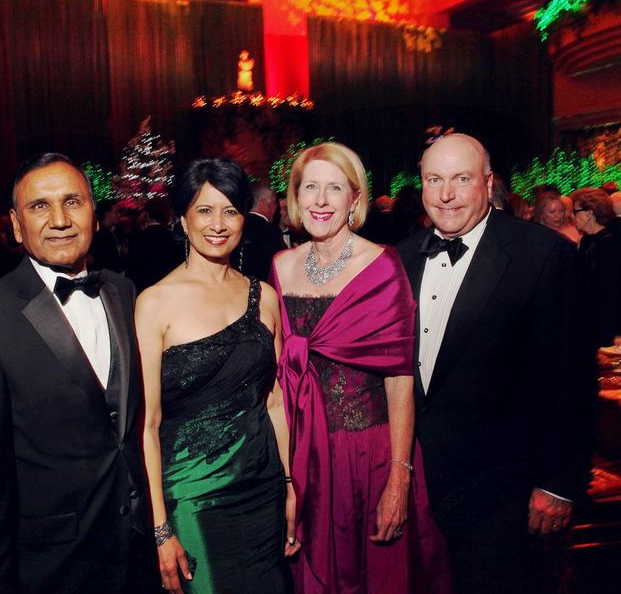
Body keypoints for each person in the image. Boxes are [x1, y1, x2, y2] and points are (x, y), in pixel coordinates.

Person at [0, 153, 154, 593]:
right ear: (17, 226)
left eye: (73, 201)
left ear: (94, 215)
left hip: (139, 556)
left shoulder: (125, 292)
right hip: (53, 570)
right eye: (40, 206)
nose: (59, 219)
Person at [397, 134, 594, 593]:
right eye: (434, 180)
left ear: (487, 184)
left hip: (503, 489)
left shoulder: (543, 255)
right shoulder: (401, 258)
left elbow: (572, 380)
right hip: (417, 486)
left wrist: (560, 483)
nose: (446, 194)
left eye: (461, 179)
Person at [272, 142, 449, 593]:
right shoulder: (280, 266)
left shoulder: (382, 265)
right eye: (310, 187)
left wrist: (398, 476)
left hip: (367, 455)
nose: (321, 200)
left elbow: (400, 380)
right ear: (295, 197)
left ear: (355, 199)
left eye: (335, 188)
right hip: (302, 452)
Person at [136, 157, 296, 594]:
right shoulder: (154, 304)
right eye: (205, 210)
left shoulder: (262, 296)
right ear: (183, 218)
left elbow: (275, 400)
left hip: (262, 487)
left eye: (230, 210)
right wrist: (160, 529)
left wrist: (288, 484)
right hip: (192, 497)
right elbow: (146, 428)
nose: (218, 224)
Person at [571, 188, 621, 347]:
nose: (571, 216)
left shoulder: (609, 242)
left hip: (604, 320)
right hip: (588, 316)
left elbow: (610, 290)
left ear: (589, 213)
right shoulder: (586, 240)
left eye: (574, 211)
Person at [240, 179, 287, 282]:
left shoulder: (238, 227)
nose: (276, 207)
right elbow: (283, 268)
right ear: (263, 204)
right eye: (274, 202)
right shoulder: (270, 232)